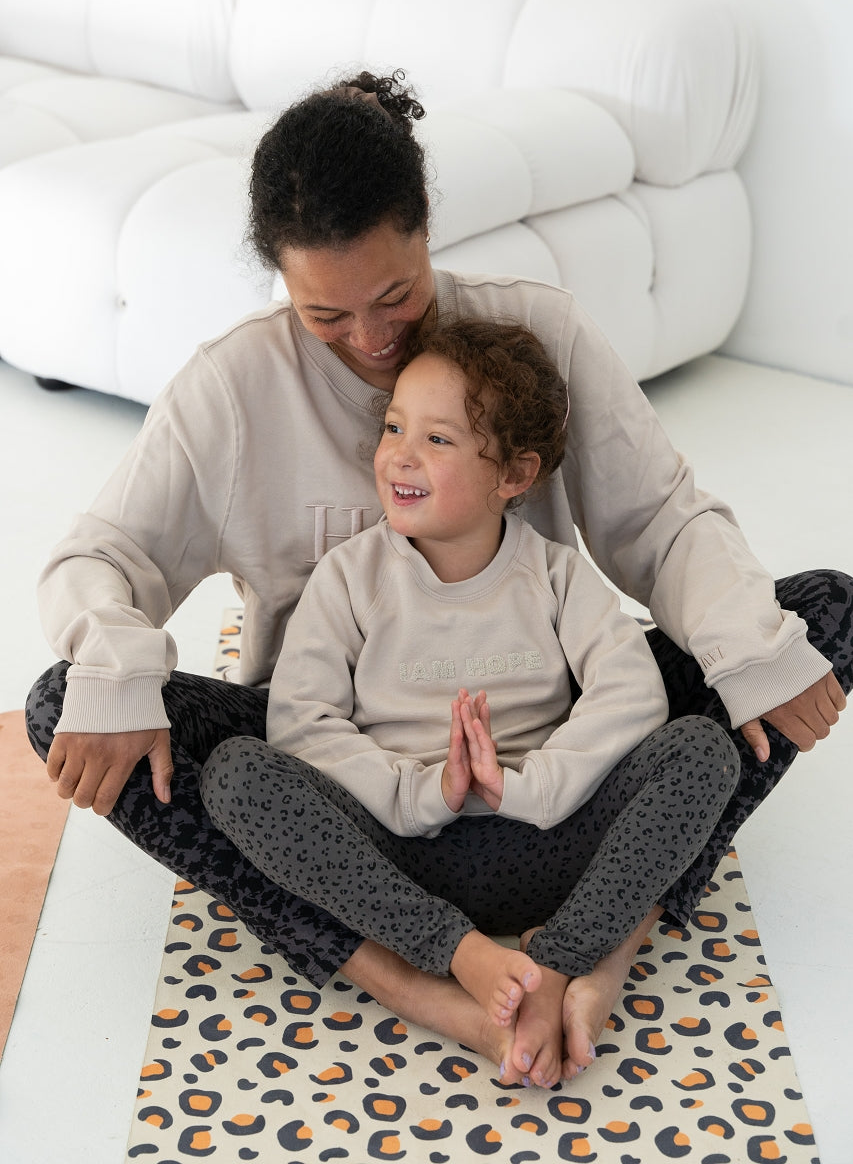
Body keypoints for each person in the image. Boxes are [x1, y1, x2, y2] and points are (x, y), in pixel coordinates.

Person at [27, 70, 850, 1085]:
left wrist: (750, 653)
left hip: (555, 764)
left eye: (395, 296)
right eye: (325, 313)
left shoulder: (535, 338)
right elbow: (100, 557)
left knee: (821, 616)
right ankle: (425, 985)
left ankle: (596, 951)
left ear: (426, 229)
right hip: (351, 793)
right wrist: (117, 668)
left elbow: (658, 521)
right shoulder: (232, 390)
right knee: (68, 701)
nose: (372, 340)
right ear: (280, 281)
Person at [199, 317, 741, 1087]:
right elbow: (302, 723)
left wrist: (524, 786)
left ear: (513, 475)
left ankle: (559, 962)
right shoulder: (349, 577)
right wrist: (423, 791)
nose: (400, 454)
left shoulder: (554, 575)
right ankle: (462, 955)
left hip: (553, 845)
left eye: (438, 439)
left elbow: (629, 695)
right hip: (400, 860)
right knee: (236, 774)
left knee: (702, 752)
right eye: (394, 427)